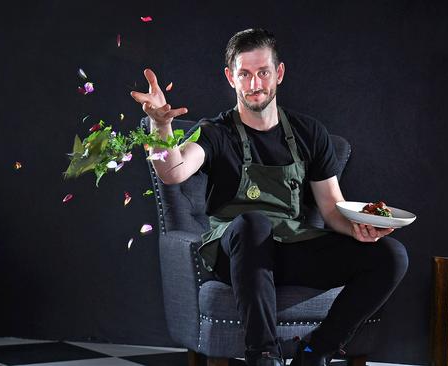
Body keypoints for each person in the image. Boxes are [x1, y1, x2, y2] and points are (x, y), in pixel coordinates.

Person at [130, 28, 408, 366]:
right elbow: (173, 172)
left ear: (279, 73)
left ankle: (315, 352)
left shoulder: (310, 133)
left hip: (290, 247)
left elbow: (333, 211)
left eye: (263, 72)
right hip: (235, 251)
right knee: (252, 223)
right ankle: (263, 356)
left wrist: (358, 229)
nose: (255, 83)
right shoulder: (216, 132)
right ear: (231, 77)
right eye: (244, 74)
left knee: (391, 256)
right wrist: (160, 127)